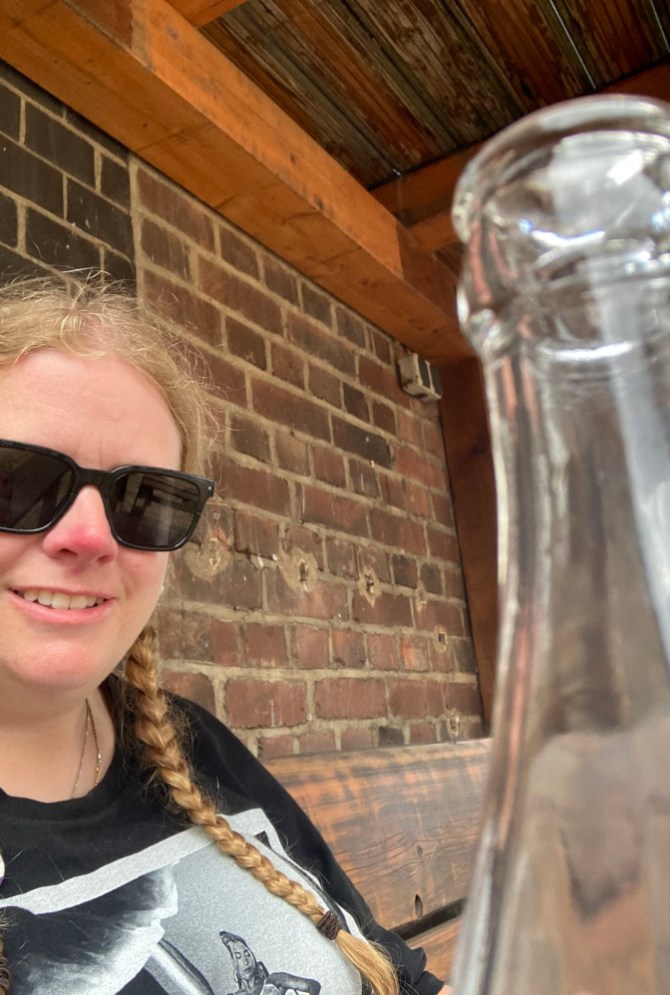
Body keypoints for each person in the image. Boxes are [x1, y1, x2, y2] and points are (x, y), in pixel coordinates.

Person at [0, 275, 451, 995]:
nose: (89, 536)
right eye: (16, 481)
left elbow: (395, 974)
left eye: (146, 499)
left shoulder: (190, 742)